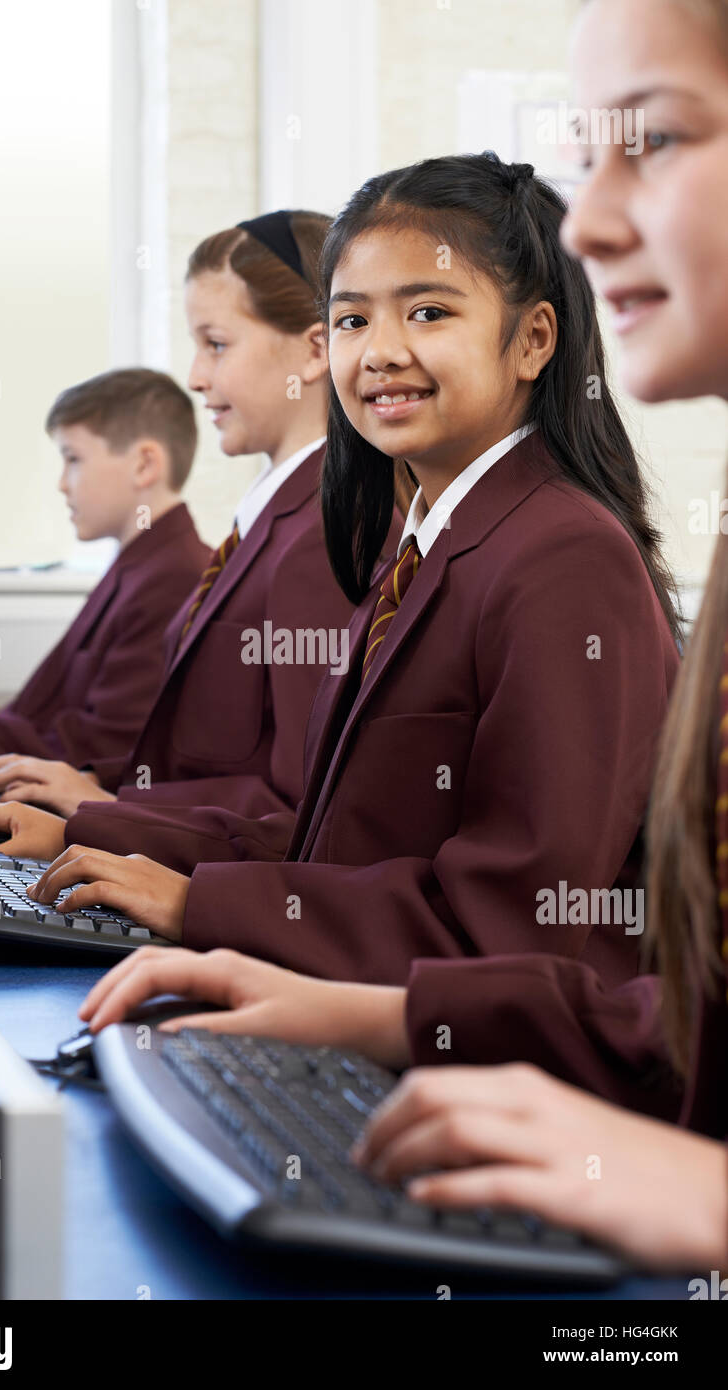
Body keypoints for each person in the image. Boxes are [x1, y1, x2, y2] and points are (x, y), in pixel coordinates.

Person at [82, 0, 728, 1273]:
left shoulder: (564, 562)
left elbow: (528, 916)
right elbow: (328, 827)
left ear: (536, 339)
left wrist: (211, 904)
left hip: (555, 1109)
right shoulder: (418, 538)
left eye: (427, 312)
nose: (377, 353)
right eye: (357, 318)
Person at [0, 211, 360, 848]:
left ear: (315, 350)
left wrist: (97, 809)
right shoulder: (271, 520)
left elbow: (294, 805)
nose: (195, 377)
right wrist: (96, 795)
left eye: (216, 344)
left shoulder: (321, 535)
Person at [0, 368, 209, 771]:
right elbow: (38, 718)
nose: (62, 484)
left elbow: (98, 750)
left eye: (73, 459)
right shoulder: (139, 566)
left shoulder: (174, 576)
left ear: (144, 464)